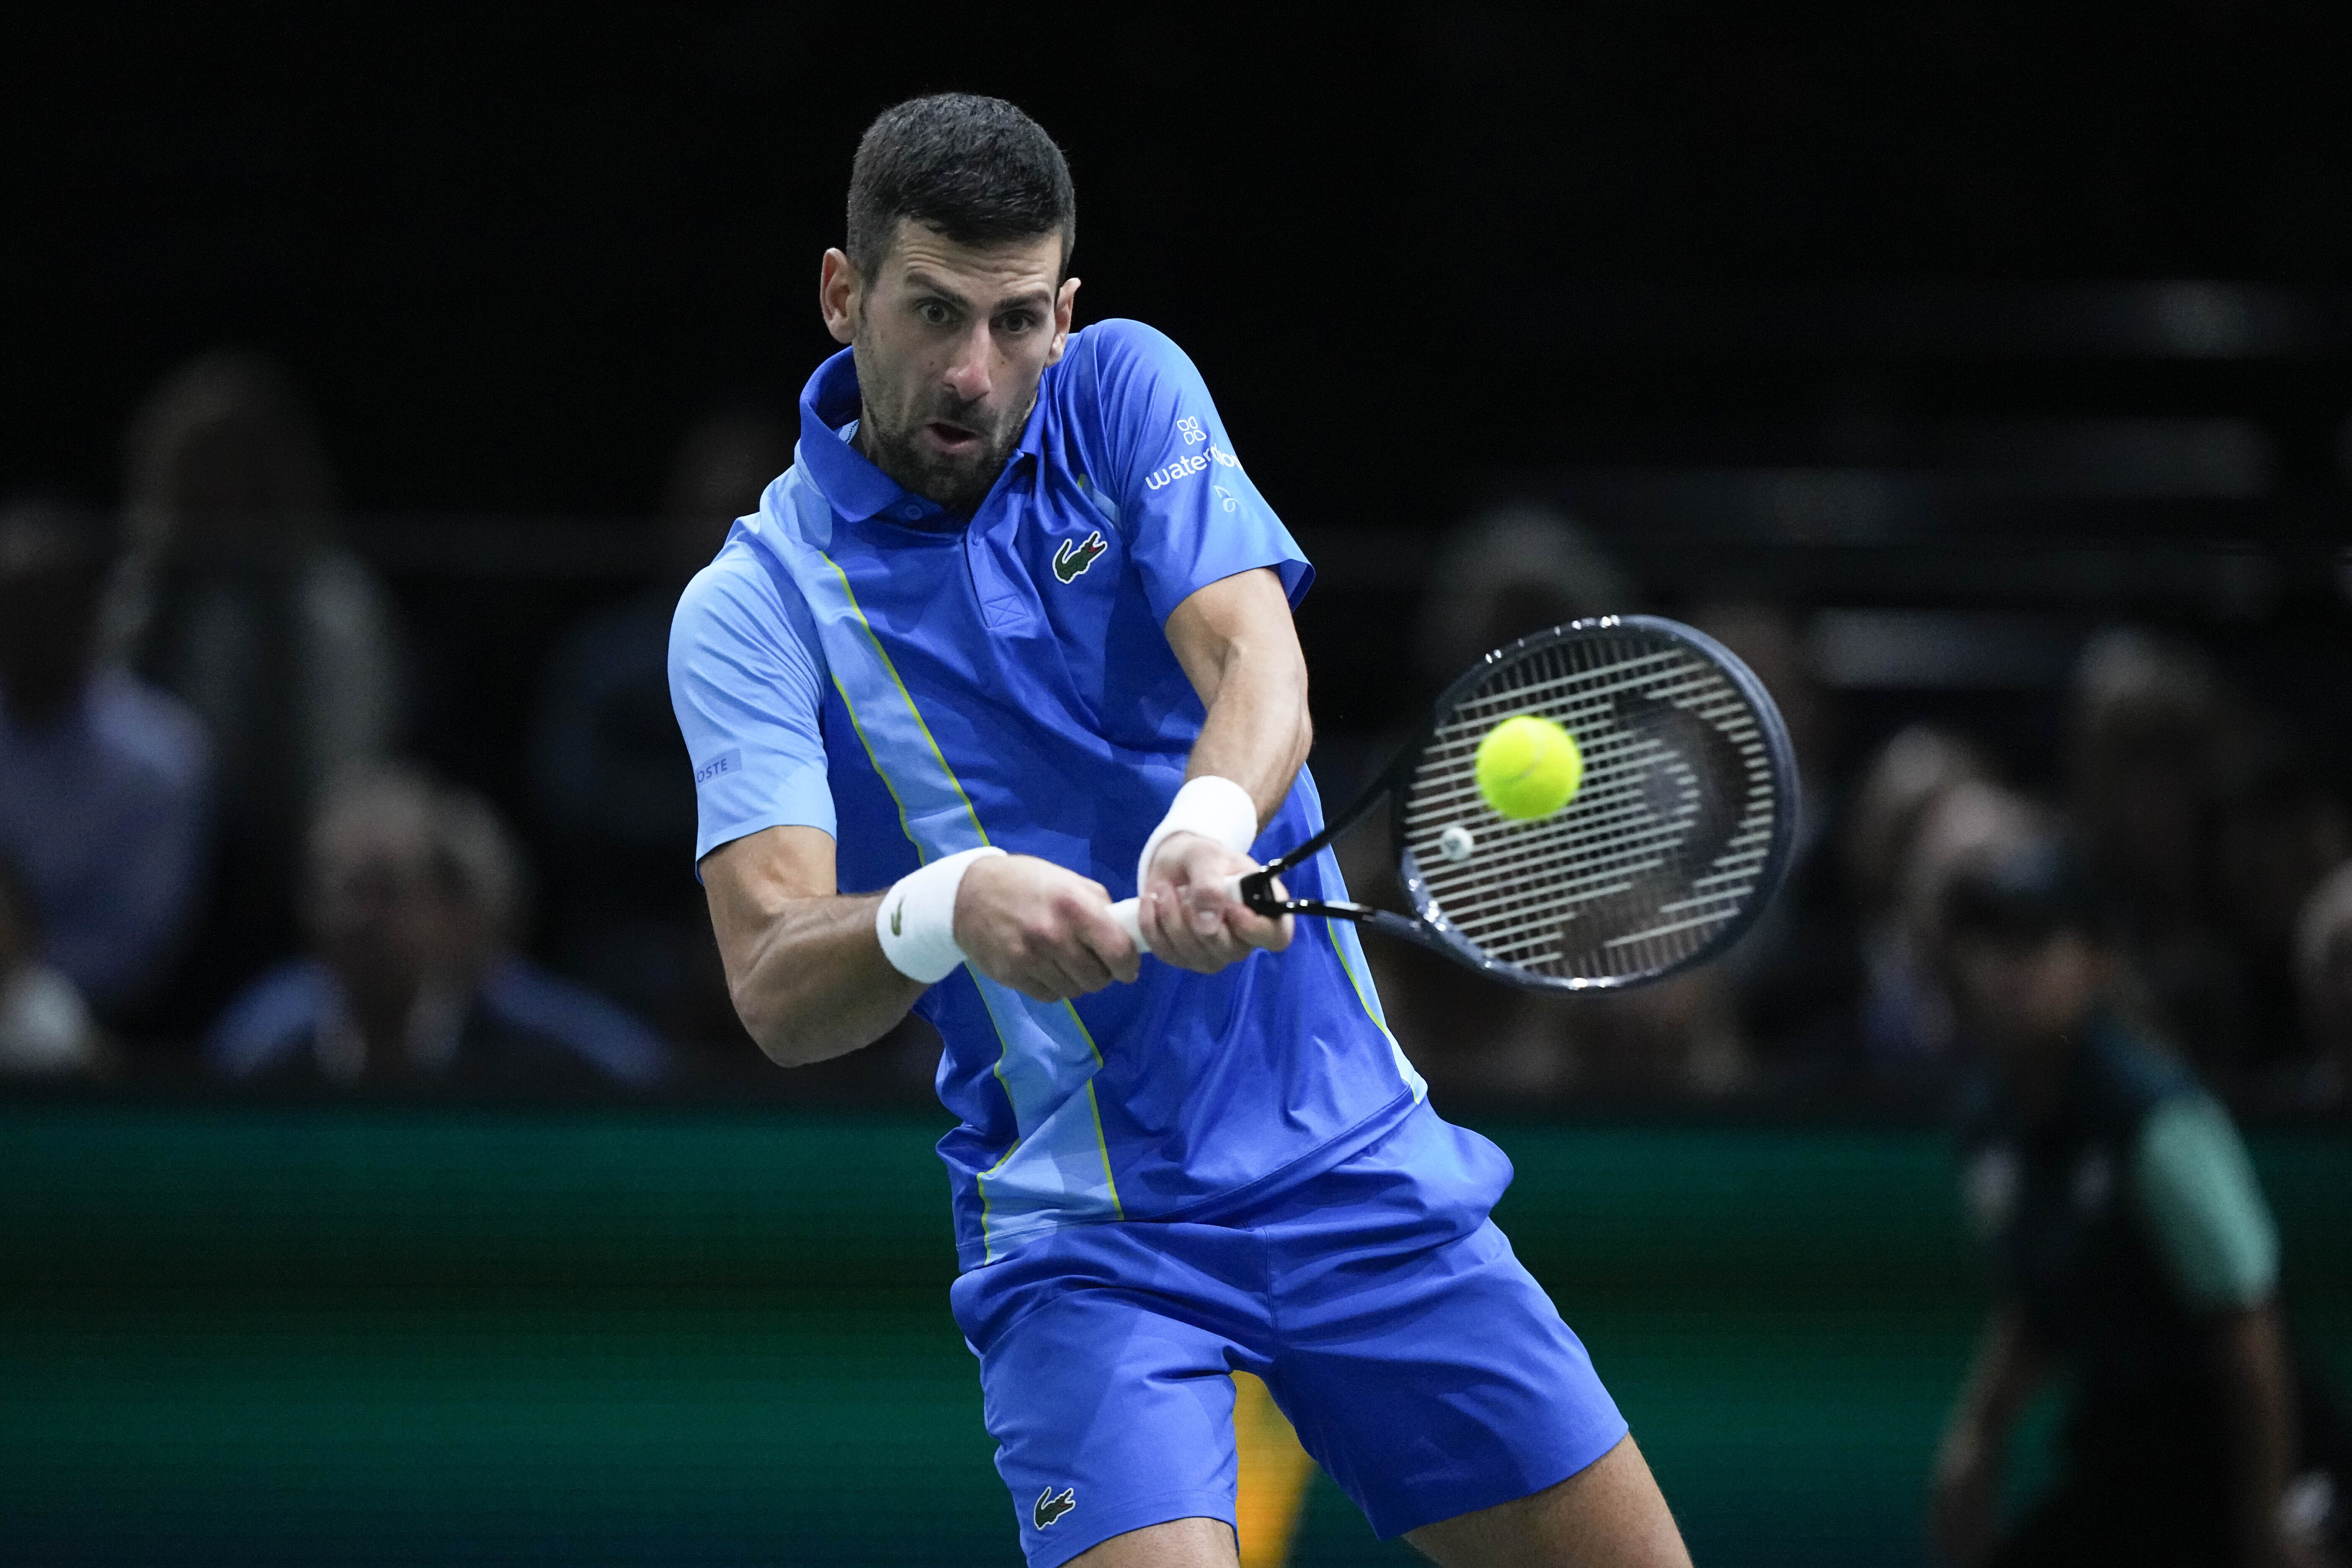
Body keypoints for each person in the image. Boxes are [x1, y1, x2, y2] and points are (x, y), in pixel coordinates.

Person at [670, 96, 1684, 1568]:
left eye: (1019, 320)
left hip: (1350, 1159)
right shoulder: (753, 609)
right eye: (933, 312)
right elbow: (773, 983)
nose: (974, 372)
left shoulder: (1122, 391)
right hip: (1088, 1234)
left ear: (1067, 312)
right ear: (843, 294)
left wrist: (1207, 824)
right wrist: (948, 904)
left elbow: (1257, 660)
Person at [1929, 837, 2344, 1568]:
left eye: (2037, 940)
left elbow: (2248, 1325)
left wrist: (2264, 1515)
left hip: (2246, 1452)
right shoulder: (1987, 1122)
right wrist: (1977, 1438)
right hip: (2130, 1453)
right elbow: (2042, 1303)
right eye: (1990, 942)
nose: (2010, 967)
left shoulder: (2155, 1118)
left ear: (2095, 961)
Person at [110, 350, 403, 1023]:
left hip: (292, 853)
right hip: (159, 851)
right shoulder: (139, 598)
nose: (219, 485)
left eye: (236, 463)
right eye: (201, 464)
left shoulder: (331, 602)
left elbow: (356, 756)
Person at [208, 766, 666, 1092]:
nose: (360, 920)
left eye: (387, 892)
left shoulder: (552, 1056)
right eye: (342, 891)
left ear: (452, 909)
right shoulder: (262, 1048)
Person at [0, 499, 209, 1015]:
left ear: (91, 613)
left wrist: (21, 991)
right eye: (12, 607)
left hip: (108, 1024)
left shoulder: (160, 756)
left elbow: (135, 941)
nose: (26, 630)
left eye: (46, 609)